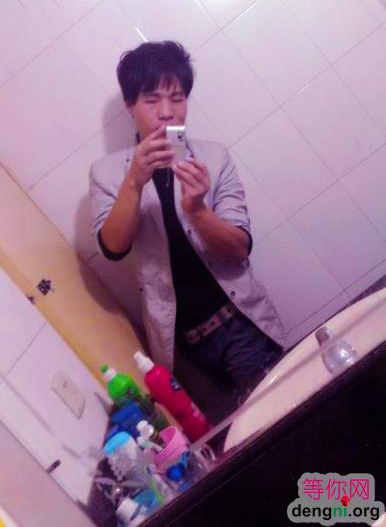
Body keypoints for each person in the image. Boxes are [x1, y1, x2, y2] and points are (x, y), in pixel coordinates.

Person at [89, 41, 286, 415]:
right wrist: (134, 181)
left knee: (278, 417)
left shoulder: (214, 157)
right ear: (130, 105)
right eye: (152, 100)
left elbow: (238, 250)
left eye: (177, 98)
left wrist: (197, 210)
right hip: (179, 350)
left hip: (240, 324)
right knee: (225, 436)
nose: (167, 112)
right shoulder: (108, 174)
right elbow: (112, 248)